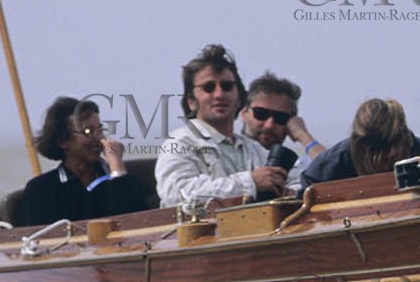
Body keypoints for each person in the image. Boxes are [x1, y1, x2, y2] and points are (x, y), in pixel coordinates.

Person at [156, 44, 286, 207]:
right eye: (208, 88)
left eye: (227, 86)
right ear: (191, 102)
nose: (219, 94)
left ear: (239, 97)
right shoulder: (179, 143)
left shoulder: (253, 148)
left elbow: (295, 180)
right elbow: (176, 194)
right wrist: (250, 182)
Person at [20, 96, 149, 225]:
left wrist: (117, 167)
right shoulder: (42, 189)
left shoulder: (123, 178)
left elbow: (138, 222)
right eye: (89, 131)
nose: (99, 138)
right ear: (62, 141)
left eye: (100, 130)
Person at [305, 98, 420, 183]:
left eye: (390, 158)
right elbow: (308, 186)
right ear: (359, 145)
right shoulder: (336, 161)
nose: (382, 163)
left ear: (404, 140)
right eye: (372, 153)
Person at [241, 72, 325, 196]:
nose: (269, 125)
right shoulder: (223, 153)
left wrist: (303, 136)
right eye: (261, 114)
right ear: (244, 113)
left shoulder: (297, 167)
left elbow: (332, 171)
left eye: (280, 118)